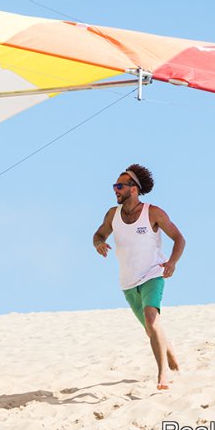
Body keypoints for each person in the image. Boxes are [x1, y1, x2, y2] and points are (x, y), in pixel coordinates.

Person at [92, 164, 186, 390]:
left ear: (133, 189)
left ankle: (163, 375)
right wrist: (99, 244)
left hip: (153, 274)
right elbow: (99, 234)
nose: (115, 189)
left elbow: (179, 238)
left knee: (151, 319)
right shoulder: (112, 215)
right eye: (115, 185)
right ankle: (167, 346)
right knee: (150, 328)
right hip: (127, 282)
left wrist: (172, 262)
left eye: (119, 186)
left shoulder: (153, 213)